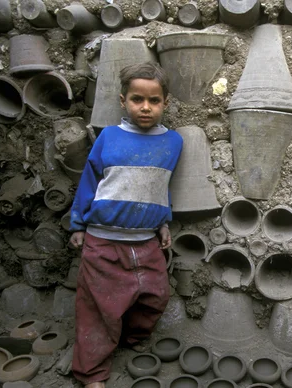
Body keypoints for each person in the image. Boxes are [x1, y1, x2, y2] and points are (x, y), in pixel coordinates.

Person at [68, 62, 183, 388]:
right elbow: (89, 182)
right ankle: (92, 374)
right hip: (103, 242)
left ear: (165, 103)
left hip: (146, 242)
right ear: (123, 100)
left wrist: (163, 223)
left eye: (154, 101)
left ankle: (133, 338)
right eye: (137, 99)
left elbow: (160, 186)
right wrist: (78, 225)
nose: (145, 107)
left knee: (155, 296)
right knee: (97, 310)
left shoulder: (173, 142)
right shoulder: (109, 137)